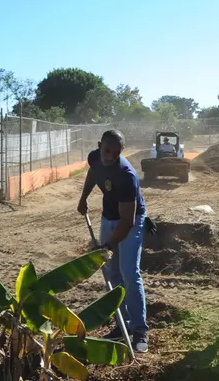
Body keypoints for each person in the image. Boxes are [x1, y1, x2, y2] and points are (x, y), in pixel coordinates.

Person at [77, 129, 149, 353]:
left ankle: (139, 330)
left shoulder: (126, 175)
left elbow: (127, 222)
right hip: (108, 216)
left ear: (121, 152)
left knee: (128, 272)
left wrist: (108, 246)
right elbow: (93, 173)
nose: (110, 156)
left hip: (131, 220)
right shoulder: (94, 158)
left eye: (116, 152)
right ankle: (122, 325)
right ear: (99, 146)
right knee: (111, 273)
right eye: (107, 150)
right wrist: (84, 197)